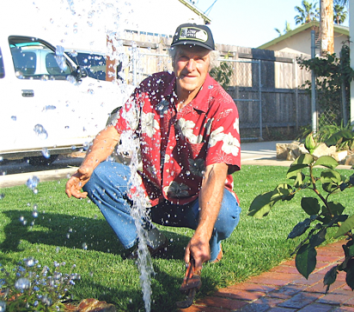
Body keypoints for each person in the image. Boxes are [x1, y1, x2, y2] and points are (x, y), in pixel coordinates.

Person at [65, 23, 241, 269]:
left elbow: (216, 170)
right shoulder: (151, 88)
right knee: (98, 175)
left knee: (223, 213)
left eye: (199, 59)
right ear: (173, 60)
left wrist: (202, 232)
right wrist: (86, 166)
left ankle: (208, 241)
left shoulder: (221, 105)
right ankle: (149, 242)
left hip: (195, 201)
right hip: (151, 194)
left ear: (209, 63)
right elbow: (115, 129)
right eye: (183, 58)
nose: (191, 67)